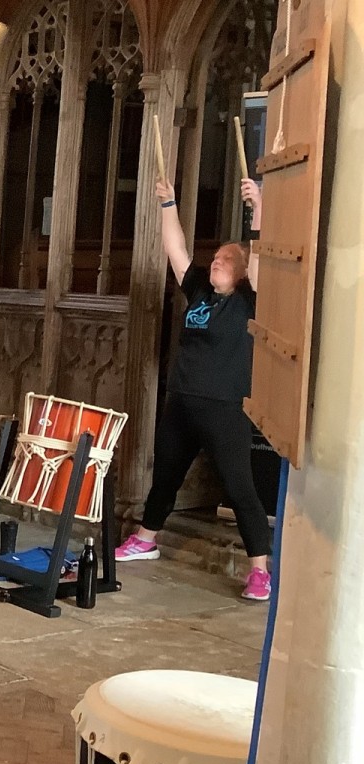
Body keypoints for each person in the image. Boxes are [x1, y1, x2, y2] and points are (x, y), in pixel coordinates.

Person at [116, 177, 271, 600]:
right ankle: (147, 538)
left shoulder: (248, 298)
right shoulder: (201, 290)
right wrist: (168, 203)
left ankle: (259, 569)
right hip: (183, 399)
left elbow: (259, 260)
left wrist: (258, 211)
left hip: (224, 406)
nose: (217, 262)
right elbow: (176, 251)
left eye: (226, 259)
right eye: (216, 257)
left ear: (240, 271)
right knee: (165, 474)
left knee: (240, 488)